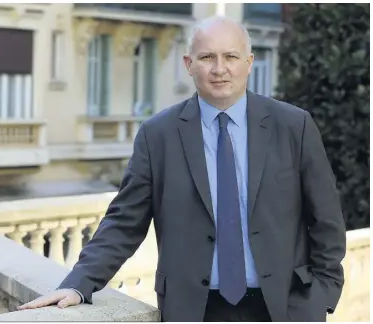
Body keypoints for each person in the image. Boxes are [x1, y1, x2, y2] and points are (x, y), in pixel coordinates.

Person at [18, 16, 346, 322]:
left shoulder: (293, 126)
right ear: (189, 64)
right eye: (207, 58)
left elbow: (326, 218)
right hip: (194, 309)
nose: (220, 69)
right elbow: (124, 221)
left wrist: (323, 294)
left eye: (231, 57)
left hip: (286, 307)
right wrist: (78, 284)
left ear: (249, 63)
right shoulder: (158, 135)